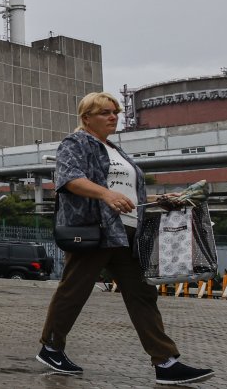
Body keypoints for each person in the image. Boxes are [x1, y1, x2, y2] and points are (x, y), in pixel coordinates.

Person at [36, 91, 214, 385]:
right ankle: (51, 347)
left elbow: (130, 195)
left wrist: (162, 199)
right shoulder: (75, 143)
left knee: (143, 294)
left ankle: (166, 363)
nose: (113, 117)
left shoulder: (117, 150)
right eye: (105, 112)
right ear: (86, 118)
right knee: (75, 290)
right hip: (96, 229)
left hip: (128, 232)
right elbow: (68, 179)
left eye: (115, 112)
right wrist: (106, 194)